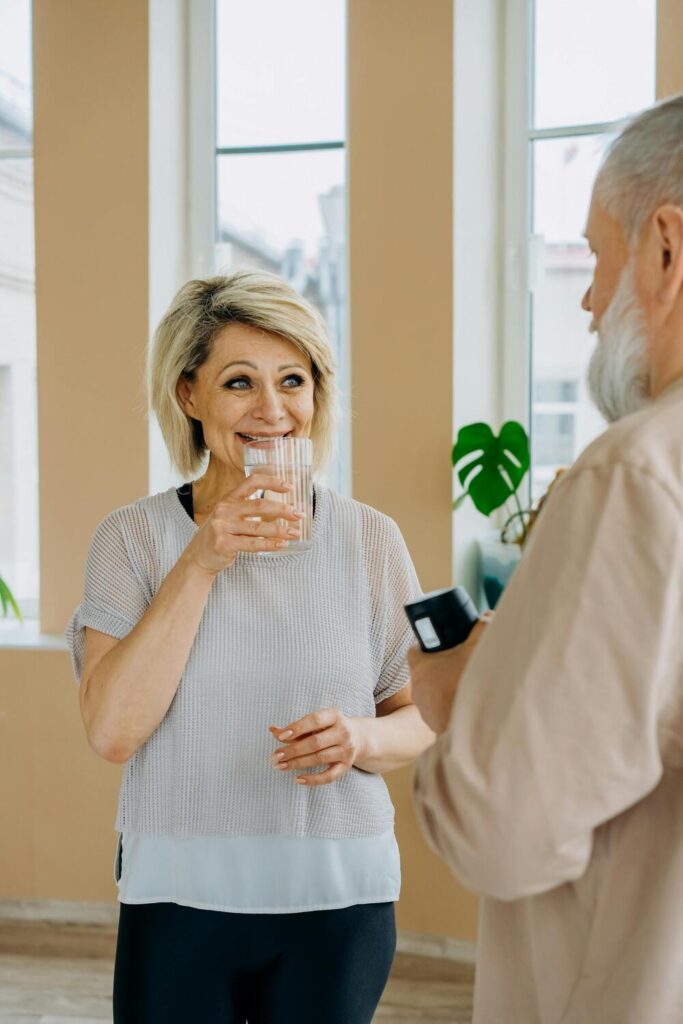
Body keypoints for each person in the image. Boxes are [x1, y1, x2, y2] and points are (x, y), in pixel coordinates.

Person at [66, 269, 434, 1024]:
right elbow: (112, 731)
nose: (273, 411)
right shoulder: (132, 539)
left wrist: (359, 735)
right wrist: (201, 560)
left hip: (340, 897)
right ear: (188, 396)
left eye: (292, 380)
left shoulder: (369, 538)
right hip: (178, 894)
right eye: (240, 382)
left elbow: (421, 715)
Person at [409, 93, 683, 1024]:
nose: (590, 298)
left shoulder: (640, 471)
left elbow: (504, 829)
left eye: (599, 257)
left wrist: (458, 700)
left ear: (665, 249)